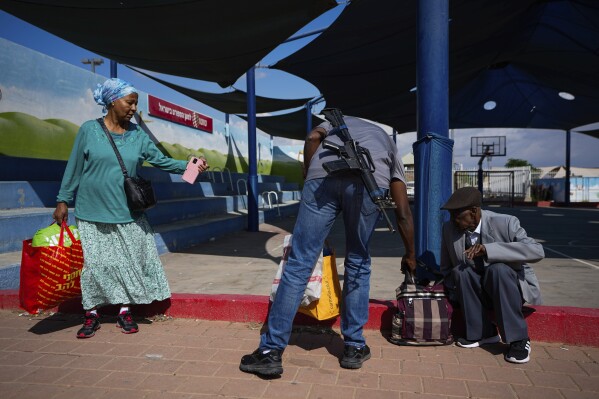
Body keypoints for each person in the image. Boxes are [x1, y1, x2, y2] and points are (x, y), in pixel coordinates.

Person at [239, 114, 416, 376]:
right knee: (358, 260)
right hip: (370, 183)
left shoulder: (336, 121)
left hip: (323, 176)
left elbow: (312, 138)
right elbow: (403, 212)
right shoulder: (386, 142)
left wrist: (310, 174)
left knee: (300, 262)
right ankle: (354, 347)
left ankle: (271, 352)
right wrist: (410, 253)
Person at [53, 78, 208, 338]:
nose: (134, 108)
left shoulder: (137, 135)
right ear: (113, 101)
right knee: (95, 265)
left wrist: (190, 165)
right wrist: (62, 200)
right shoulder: (89, 130)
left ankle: (125, 311)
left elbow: (161, 160)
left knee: (128, 262)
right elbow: (75, 167)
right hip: (92, 210)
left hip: (127, 212)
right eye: (130, 102)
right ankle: (91, 314)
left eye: (136, 103)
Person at [440, 187, 544, 364]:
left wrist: (490, 250)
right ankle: (483, 333)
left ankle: (519, 339)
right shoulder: (450, 229)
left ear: (474, 211)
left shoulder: (506, 222)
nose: (453, 220)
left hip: (507, 290)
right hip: (478, 293)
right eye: (450, 215)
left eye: (456, 214)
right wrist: (451, 292)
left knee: (498, 270)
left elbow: (537, 251)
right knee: (461, 271)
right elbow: (447, 268)